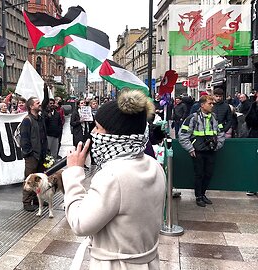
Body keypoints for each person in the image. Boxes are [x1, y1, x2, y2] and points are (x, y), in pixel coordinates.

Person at [63, 89, 165, 269]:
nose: (94, 133)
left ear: (115, 135)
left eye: (98, 127)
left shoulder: (113, 175)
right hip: (148, 261)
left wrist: (74, 173)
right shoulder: (153, 164)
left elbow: (80, 224)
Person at [179, 95, 225, 207]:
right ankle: (198, 196)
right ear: (202, 105)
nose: (212, 105)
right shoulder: (192, 118)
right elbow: (183, 135)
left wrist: (218, 145)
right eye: (210, 103)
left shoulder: (214, 117)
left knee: (208, 174)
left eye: (213, 103)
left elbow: (221, 132)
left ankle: (203, 194)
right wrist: (190, 148)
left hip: (211, 150)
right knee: (199, 174)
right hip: (198, 151)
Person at [20, 96, 48, 212]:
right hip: (32, 156)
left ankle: (37, 199)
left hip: (41, 154)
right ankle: (27, 202)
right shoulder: (27, 120)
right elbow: (24, 140)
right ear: (31, 106)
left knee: (39, 179)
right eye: (37, 103)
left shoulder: (40, 119)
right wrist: (29, 153)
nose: (39, 104)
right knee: (29, 179)